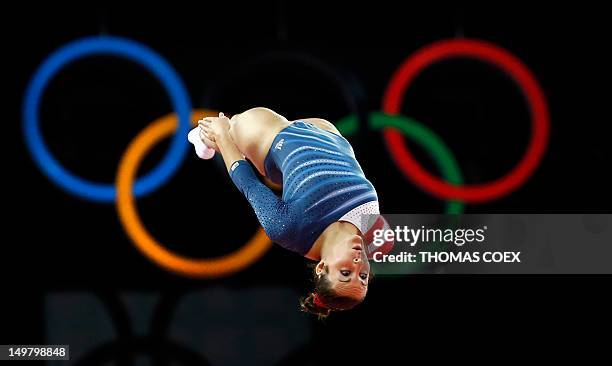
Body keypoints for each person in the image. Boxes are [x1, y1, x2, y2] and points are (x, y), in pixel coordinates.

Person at [190, 107, 379, 318]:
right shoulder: (371, 228)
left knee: (243, 122)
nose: (358, 265)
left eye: (345, 274)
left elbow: (250, 185)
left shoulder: (289, 230)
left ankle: (205, 140)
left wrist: (222, 134)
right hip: (327, 134)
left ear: (322, 267)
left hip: (276, 139)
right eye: (363, 276)